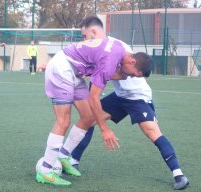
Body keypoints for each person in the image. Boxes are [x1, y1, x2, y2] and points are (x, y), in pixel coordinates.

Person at [69, 15, 189, 190]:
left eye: (84, 36)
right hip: (119, 96)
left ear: (93, 32)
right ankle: (72, 161)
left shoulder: (117, 47)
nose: (84, 40)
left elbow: (116, 74)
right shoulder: (100, 48)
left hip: (138, 97)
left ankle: (179, 175)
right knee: (88, 119)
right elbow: (102, 76)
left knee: (152, 132)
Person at [35, 27, 153, 186]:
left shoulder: (119, 48)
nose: (129, 77)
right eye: (133, 74)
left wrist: (123, 74)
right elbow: (94, 97)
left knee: (88, 117)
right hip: (62, 68)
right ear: (132, 61)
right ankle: (45, 170)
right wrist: (105, 129)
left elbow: (105, 68)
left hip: (74, 71)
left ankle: (63, 156)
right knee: (63, 121)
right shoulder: (110, 62)